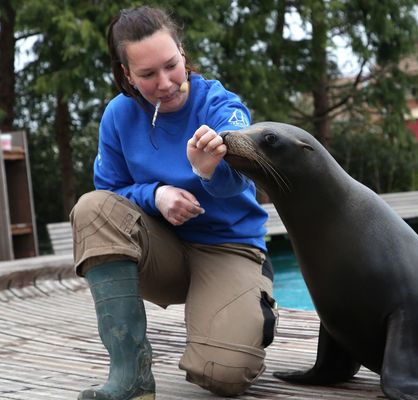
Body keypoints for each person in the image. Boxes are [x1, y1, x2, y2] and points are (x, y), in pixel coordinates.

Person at [70, 5, 278, 400]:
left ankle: (255, 305)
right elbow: (109, 194)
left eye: (171, 65)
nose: (165, 83)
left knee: (224, 375)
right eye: (147, 74)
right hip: (162, 248)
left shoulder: (222, 107)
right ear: (127, 74)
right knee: (91, 208)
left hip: (227, 248)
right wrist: (155, 194)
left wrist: (208, 170)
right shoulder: (117, 117)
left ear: (182, 52)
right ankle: (131, 377)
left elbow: (239, 181)